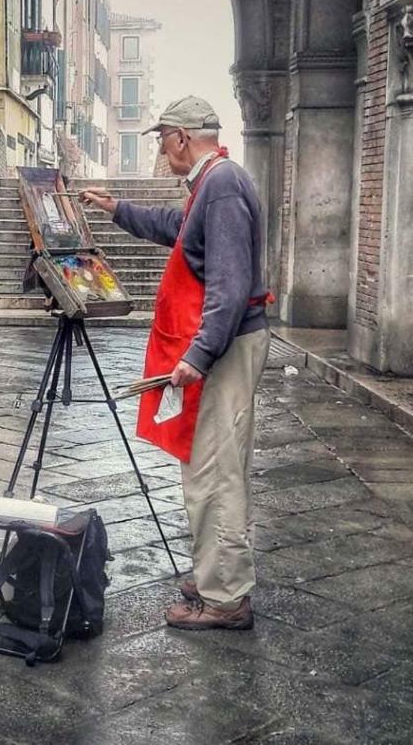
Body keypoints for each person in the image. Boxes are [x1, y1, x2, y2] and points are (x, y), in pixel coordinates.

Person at [81, 95, 271, 631]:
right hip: (229, 344)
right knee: (214, 466)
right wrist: (116, 209)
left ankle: (225, 598)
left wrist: (199, 354)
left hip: (227, 347)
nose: (162, 154)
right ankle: (218, 572)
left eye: (163, 140)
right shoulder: (212, 184)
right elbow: (175, 228)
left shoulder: (223, 185)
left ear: (182, 137)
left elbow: (230, 284)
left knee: (214, 472)